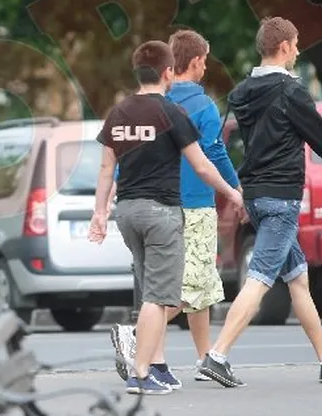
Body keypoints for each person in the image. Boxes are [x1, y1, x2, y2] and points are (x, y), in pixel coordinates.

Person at [199, 17, 322, 387]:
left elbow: (236, 143)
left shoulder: (242, 92)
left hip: (256, 195)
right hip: (281, 198)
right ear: (283, 47)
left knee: (298, 279)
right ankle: (217, 355)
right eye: (295, 44)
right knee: (260, 278)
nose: (298, 51)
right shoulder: (291, 92)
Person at [89, 40, 244, 395]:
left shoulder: (118, 113)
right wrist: (233, 192)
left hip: (127, 213)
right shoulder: (170, 112)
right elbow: (202, 166)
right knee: (159, 297)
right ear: (167, 72)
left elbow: (106, 168)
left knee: (151, 290)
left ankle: (156, 367)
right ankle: (140, 372)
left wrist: (99, 213)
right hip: (161, 213)